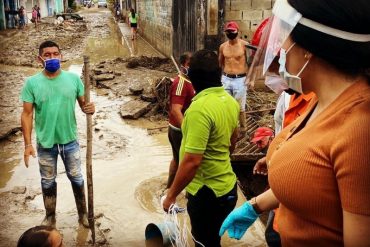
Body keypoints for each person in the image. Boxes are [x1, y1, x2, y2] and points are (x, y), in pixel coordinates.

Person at [219, 0, 370, 246]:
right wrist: (256, 205)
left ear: (309, 48)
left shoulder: (360, 131)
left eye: (284, 39)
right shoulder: (321, 101)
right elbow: (311, 181)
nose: (280, 50)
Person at [163, 49, 240, 246]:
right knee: (213, 238)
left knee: (203, 241)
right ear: (219, 74)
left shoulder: (198, 109)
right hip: (228, 188)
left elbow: (192, 162)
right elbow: (233, 141)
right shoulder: (231, 102)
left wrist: (171, 195)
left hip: (207, 194)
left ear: (192, 77)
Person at [20, 41, 95, 228]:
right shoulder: (32, 83)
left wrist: (90, 108)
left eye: (55, 54)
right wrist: (28, 145)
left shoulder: (73, 79)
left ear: (61, 56)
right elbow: (27, 115)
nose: (52, 58)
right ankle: (50, 216)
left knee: (77, 177)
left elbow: (84, 105)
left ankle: (83, 214)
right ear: (40, 59)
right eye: (47, 55)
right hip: (45, 143)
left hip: (69, 140)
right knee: (47, 181)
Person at [166, 52, 195, 189]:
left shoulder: (190, 81)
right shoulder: (181, 83)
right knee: (183, 162)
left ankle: (169, 188)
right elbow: (175, 110)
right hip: (179, 130)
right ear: (183, 65)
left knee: (177, 160)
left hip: (180, 128)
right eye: (190, 64)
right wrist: (187, 130)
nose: (192, 67)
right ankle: (173, 191)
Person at [219, 21, 249, 132]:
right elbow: (220, 63)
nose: (230, 33)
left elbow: (251, 63)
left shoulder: (244, 45)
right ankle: (229, 128)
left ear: (238, 31)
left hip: (240, 79)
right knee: (226, 105)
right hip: (226, 78)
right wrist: (219, 79)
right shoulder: (222, 47)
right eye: (228, 32)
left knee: (240, 107)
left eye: (232, 31)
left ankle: (243, 129)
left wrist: (250, 79)